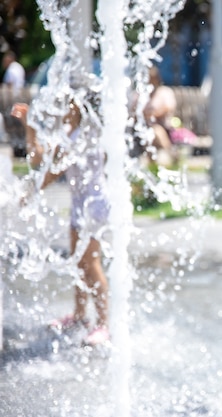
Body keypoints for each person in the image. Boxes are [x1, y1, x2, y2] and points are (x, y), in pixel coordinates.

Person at [11, 88, 111, 346]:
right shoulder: (71, 135)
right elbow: (40, 160)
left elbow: (54, 171)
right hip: (80, 203)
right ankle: (80, 316)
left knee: (91, 264)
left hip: (94, 205)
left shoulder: (85, 137)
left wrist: (33, 191)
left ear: (80, 108)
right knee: (79, 263)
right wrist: (29, 126)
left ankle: (103, 325)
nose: (64, 108)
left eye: (69, 104)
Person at [143, 66, 177, 164]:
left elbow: (168, 107)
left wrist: (154, 114)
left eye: (152, 78)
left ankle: (169, 154)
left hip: (164, 126)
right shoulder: (142, 93)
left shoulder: (164, 92)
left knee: (156, 131)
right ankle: (156, 160)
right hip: (144, 126)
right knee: (150, 132)